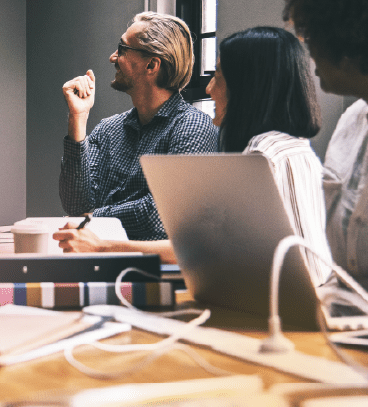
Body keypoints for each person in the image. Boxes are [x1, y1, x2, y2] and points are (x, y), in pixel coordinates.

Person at [54, 26, 333, 285]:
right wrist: (78, 119)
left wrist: (99, 236)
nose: (209, 89)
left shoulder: (261, 156)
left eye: (218, 76)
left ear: (247, 87)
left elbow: (202, 245)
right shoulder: (292, 150)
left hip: (288, 307)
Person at [58, 12, 218, 242]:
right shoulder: (108, 129)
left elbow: (161, 215)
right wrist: (78, 117)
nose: (113, 57)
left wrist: (94, 218)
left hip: (151, 265)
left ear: (151, 65)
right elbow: (75, 205)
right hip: (98, 259)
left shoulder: (193, 127)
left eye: (122, 49)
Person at [284, 0, 368, 289]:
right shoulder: (350, 122)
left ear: (343, 40)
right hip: (344, 307)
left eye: (311, 39)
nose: (310, 55)